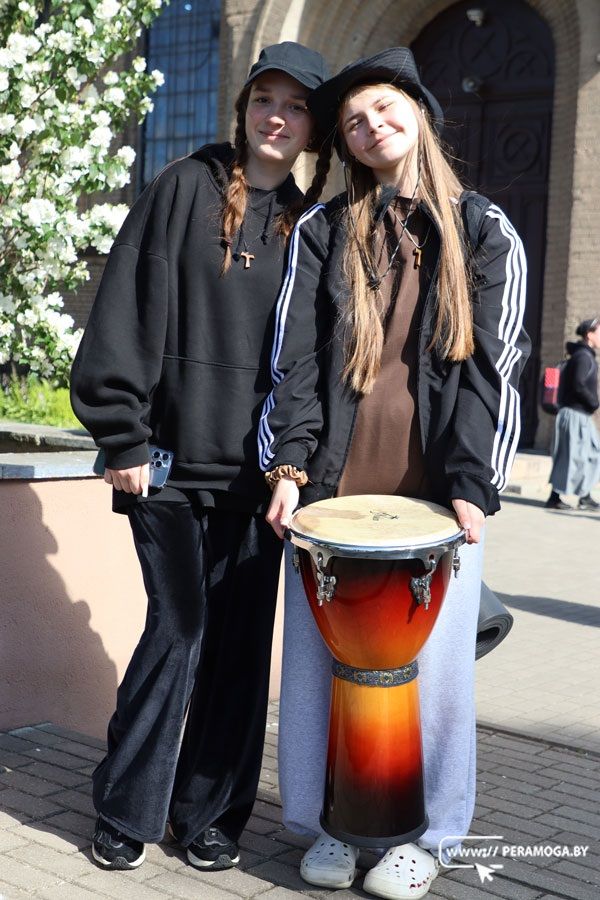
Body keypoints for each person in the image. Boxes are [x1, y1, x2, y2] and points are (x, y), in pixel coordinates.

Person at [260, 48, 529, 900]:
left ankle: (433, 836)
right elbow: (297, 362)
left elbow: (494, 365)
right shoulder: (325, 230)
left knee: (437, 681)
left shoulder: (483, 228)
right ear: (342, 143)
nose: (371, 127)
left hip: (435, 499)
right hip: (334, 493)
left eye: (384, 109)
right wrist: (290, 466)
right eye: (352, 122)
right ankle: (329, 824)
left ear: (417, 112)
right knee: (316, 674)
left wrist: (472, 484)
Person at [70, 42, 331, 873]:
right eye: (265, 100)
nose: (277, 117)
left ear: (313, 126)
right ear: (244, 107)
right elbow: (126, 303)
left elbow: (310, 362)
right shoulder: (184, 186)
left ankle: (211, 813)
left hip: (258, 479)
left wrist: (293, 465)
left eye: (295, 106)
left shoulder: (310, 223)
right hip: (167, 465)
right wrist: (121, 432)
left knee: (240, 646)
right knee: (179, 627)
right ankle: (127, 805)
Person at [546, 317, 600, 510]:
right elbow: (578, 384)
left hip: (580, 415)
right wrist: (594, 402)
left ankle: (584, 496)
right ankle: (555, 498)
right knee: (569, 457)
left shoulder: (584, 355)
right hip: (574, 415)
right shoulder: (583, 357)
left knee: (589, 455)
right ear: (589, 334)